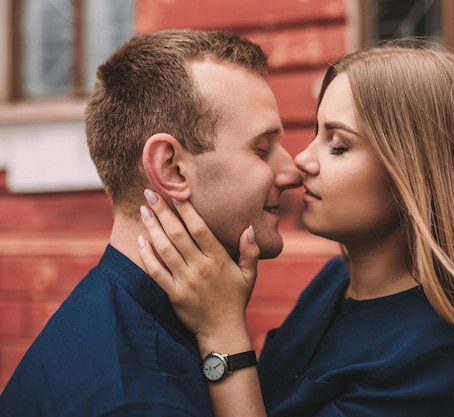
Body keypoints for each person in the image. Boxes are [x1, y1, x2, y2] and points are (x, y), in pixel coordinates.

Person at [138, 37, 454, 417]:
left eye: (338, 145)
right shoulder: (333, 282)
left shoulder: (437, 361)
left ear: (415, 173)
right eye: (315, 133)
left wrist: (221, 333)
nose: (301, 161)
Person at [0, 29, 302, 416]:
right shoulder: (138, 399)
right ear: (171, 168)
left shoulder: (115, 317)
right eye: (262, 149)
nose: (292, 171)